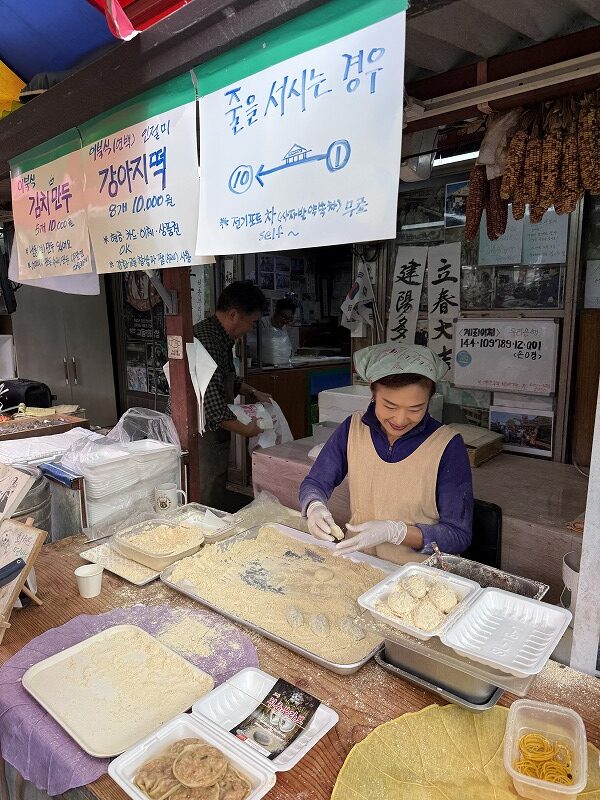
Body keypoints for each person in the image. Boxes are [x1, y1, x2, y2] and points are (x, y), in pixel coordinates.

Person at [299, 343, 473, 564]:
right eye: (389, 406)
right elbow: (315, 481)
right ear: (373, 392)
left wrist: (397, 532)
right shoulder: (354, 428)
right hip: (359, 563)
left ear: (430, 399)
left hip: (416, 576)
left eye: (416, 409)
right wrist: (314, 506)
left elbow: (458, 536)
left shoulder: (447, 446)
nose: (400, 420)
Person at [195, 281, 272, 509]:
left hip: (213, 431)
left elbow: (225, 377)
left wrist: (251, 391)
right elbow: (213, 407)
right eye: (252, 322)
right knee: (206, 488)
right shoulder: (208, 342)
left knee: (216, 483)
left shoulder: (218, 336)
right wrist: (249, 429)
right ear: (234, 314)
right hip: (201, 432)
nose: (250, 329)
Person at [247, 298, 297, 365]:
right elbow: (253, 347)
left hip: (281, 364)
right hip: (263, 364)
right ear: (276, 311)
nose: (285, 321)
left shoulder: (285, 328)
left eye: (288, 318)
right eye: (283, 316)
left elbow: (289, 350)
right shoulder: (261, 323)